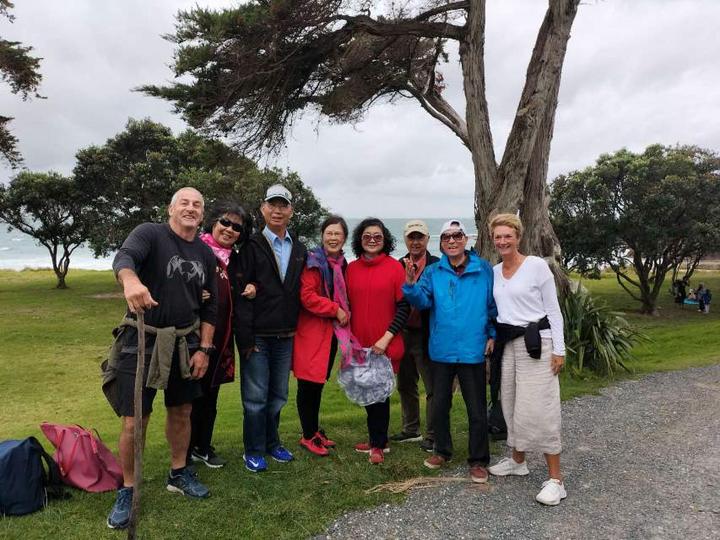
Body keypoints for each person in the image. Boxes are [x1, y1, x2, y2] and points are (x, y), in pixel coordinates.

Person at [102, 187, 217, 529]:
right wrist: (130, 281)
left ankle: (178, 473)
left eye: (197, 204)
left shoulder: (205, 253)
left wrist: (204, 349)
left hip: (185, 342)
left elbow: (211, 306)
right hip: (141, 340)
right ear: (171, 208)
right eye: (184, 202)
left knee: (182, 411)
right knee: (134, 420)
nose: (191, 208)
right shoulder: (149, 233)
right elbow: (124, 257)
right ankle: (128, 489)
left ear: (202, 213)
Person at [403, 219, 496, 484]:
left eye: (457, 236)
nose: (452, 241)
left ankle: (478, 460)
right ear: (441, 243)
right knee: (440, 405)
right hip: (442, 350)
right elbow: (422, 302)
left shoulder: (483, 269)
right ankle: (441, 451)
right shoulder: (434, 272)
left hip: (472, 349)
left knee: (476, 409)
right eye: (447, 237)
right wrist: (410, 284)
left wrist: (492, 334)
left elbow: (492, 304)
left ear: (466, 239)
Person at [486, 213, 567, 506]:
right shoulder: (494, 272)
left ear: (518, 237)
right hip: (508, 344)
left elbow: (553, 310)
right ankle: (518, 461)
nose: (503, 241)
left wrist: (559, 350)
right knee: (510, 403)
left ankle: (556, 480)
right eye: (498, 236)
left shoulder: (536, 266)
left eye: (508, 236)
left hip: (538, 344)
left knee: (541, 407)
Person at [233, 184, 307, 472]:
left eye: (283, 205)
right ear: (263, 209)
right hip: (257, 336)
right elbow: (240, 295)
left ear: (291, 211)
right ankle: (253, 450)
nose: (277, 210)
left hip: (285, 334)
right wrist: (245, 339)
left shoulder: (298, 248)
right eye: (272, 205)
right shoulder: (250, 246)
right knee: (255, 398)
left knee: (278, 396)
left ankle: (272, 443)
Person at [188, 201, 254, 469]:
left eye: (236, 227)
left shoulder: (234, 261)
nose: (229, 229)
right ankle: (183, 453)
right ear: (213, 223)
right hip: (193, 340)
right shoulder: (195, 250)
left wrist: (252, 286)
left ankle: (202, 446)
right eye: (225, 222)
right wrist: (194, 292)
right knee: (189, 399)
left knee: (210, 398)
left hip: (222, 342)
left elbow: (245, 285)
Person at [347, 218, 409, 465]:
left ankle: (378, 444)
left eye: (377, 236)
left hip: (385, 344)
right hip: (358, 344)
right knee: (367, 391)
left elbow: (404, 307)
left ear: (385, 240)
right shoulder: (351, 269)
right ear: (359, 240)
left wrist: (386, 338)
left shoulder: (395, 268)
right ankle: (378, 438)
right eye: (367, 236)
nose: (372, 240)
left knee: (379, 395)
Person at [292, 215, 351, 456]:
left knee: (317, 384)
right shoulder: (314, 262)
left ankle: (313, 430)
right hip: (312, 332)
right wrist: (335, 309)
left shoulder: (341, 264)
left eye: (338, 234)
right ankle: (308, 435)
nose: (333, 238)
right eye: (329, 233)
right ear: (322, 236)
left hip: (331, 334)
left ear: (344, 238)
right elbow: (307, 297)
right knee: (308, 384)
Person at [391, 220, 439, 452]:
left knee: (432, 387)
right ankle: (411, 429)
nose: (416, 242)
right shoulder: (397, 265)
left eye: (420, 237)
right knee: (405, 383)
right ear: (405, 239)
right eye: (412, 237)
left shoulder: (437, 265)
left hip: (427, 333)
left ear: (428, 239)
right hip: (402, 332)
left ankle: (433, 434)